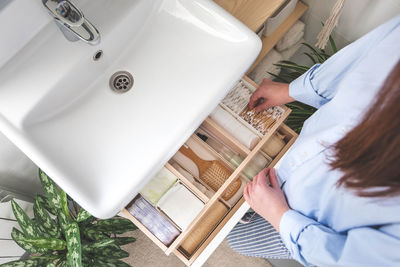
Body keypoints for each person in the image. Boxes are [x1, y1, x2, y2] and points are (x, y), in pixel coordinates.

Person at [227, 15, 400, 267]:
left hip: (307, 220)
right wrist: (290, 91)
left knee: (237, 238)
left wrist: (280, 216)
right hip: (300, 154)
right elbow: (359, 60)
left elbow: (355, 260)